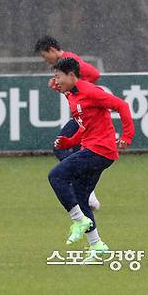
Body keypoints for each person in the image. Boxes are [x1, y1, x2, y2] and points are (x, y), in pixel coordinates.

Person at [47, 57, 134, 261]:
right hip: (96, 150)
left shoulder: (90, 91)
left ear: (71, 75)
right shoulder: (71, 95)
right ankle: (97, 245)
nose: (55, 81)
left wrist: (127, 136)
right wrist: (69, 142)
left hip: (100, 150)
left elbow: (122, 106)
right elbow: (85, 126)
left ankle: (78, 221)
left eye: (58, 77)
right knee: (80, 197)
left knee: (56, 176)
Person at [35, 35, 102, 210]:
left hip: (86, 115)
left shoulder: (70, 60)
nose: (45, 60)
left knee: (60, 146)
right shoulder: (63, 64)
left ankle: (81, 184)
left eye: (45, 56)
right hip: (82, 115)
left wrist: (81, 89)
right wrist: (59, 85)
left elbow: (95, 75)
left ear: (52, 50)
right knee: (76, 150)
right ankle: (86, 191)